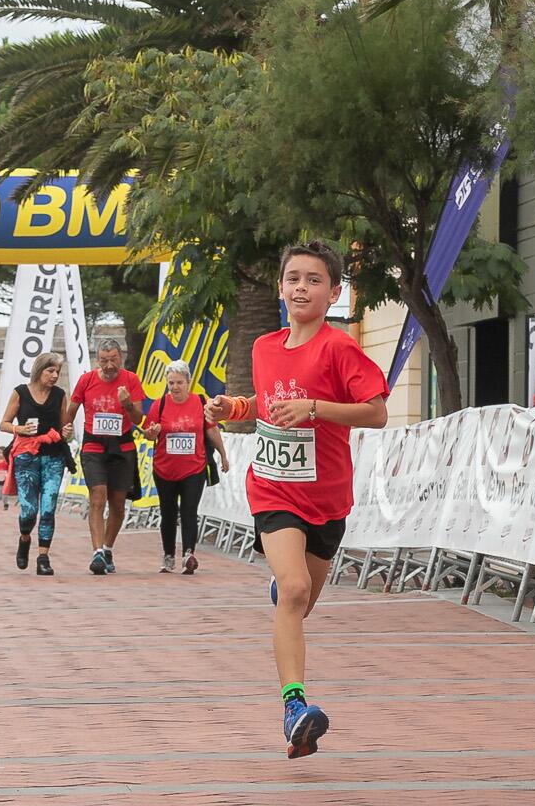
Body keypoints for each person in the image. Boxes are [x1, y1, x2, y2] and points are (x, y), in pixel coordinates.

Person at [207, 240, 387, 759]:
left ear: (333, 292)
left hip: (328, 498)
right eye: (293, 278)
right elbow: (265, 403)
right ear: (280, 287)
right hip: (273, 488)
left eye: (313, 279)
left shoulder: (340, 349)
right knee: (291, 591)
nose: (301, 287)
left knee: (302, 600)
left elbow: (374, 412)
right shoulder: (264, 346)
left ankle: (287, 590)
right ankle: (294, 707)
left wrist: (316, 408)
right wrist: (234, 405)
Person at [63, 338, 144, 575]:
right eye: (104, 360)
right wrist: (64, 429)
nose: (109, 365)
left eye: (113, 360)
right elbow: (70, 410)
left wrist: (127, 404)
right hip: (94, 445)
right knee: (97, 497)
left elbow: (139, 419)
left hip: (122, 446)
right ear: (97, 360)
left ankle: (108, 547)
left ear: (121, 358)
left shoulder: (130, 380)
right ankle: (97, 552)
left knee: (117, 503)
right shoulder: (86, 380)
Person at [140, 358, 228, 573]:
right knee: (168, 513)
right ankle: (168, 555)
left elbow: (211, 429)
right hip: (165, 469)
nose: (175, 387)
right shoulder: (159, 404)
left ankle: (189, 554)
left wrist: (223, 455)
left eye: (179, 382)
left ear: (188, 382)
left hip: (193, 468)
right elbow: (148, 432)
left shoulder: (200, 401)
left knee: (189, 511)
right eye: (171, 383)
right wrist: (151, 433)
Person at [0, 351, 73, 575]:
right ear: (39, 370)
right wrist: (17, 429)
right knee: (28, 511)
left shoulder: (60, 395)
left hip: (53, 456)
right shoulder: (20, 392)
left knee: (48, 508)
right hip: (26, 455)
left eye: (57, 372)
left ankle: (43, 557)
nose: (54, 376)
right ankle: (24, 539)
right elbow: (3, 423)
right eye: (50, 371)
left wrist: (67, 432)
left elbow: (64, 429)